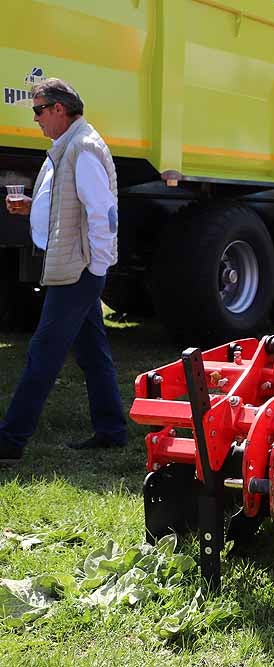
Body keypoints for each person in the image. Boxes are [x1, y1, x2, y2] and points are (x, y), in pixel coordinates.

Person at [0, 78, 127, 466]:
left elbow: (102, 214)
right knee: (91, 351)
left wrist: (97, 267)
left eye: (39, 110)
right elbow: (68, 203)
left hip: (77, 269)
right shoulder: (68, 145)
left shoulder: (82, 148)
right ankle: (112, 431)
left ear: (59, 108)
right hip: (77, 266)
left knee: (44, 351)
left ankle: (10, 442)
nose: (36, 118)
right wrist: (32, 212)